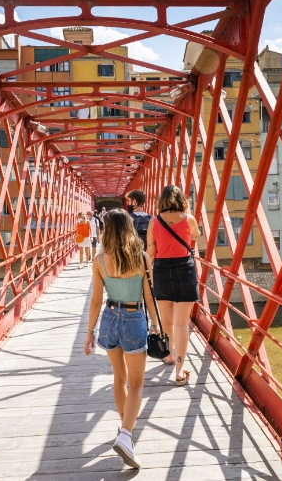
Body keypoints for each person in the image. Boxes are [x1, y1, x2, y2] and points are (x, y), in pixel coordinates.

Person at [84, 208, 159, 469]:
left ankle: (124, 428)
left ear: (106, 229)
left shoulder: (98, 260)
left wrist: (89, 332)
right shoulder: (142, 258)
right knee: (137, 383)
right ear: (129, 227)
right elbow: (149, 297)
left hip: (109, 318)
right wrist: (156, 325)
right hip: (133, 317)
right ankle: (126, 434)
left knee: (120, 379)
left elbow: (95, 301)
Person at [146, 185, 200, 386]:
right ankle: (179, 371)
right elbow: (195, 236)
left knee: (166, 322)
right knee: (181, 323)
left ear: (162, 201)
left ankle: (168, 356)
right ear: (181, 200)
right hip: (184, 270)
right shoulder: (189, 219)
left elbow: (151, 253)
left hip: (161, 271)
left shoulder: (154, 221)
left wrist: (148, 279)